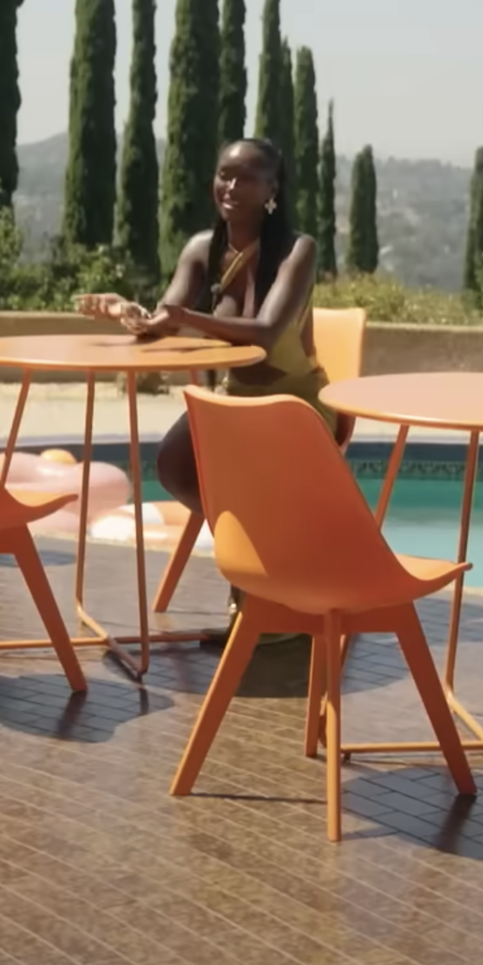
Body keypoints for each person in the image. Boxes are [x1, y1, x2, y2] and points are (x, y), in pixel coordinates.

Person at [77, 137, 325, 625]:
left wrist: (183, 316)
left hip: (293, 403)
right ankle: (257, 560)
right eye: (224, 175)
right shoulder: (201, 249)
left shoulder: (297, 251)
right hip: (235, 399)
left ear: (272, 189)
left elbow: (266, 331)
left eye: (246, 178)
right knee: (174, 463)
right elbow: (163, 321)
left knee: (242, 469)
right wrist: (129, 313)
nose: (230, 186)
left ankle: (270, 588)